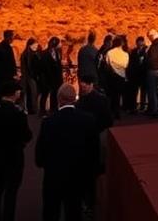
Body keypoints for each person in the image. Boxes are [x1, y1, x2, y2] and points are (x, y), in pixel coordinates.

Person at [35, 83, 99, 221]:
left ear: (59, 99)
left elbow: (40, 152)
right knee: (74, 211)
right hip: (78, 174)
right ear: (74, 99)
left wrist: (42, 163)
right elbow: (94, 150)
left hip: (53, 175)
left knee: (51, 211)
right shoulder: (88, 120)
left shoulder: (48, 122)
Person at [0, 80, 32, 221]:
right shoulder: (19, 114)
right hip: (15, 155)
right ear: (14, 93)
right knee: (11, 191)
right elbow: (27, 135)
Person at [74, 72, 112, 214]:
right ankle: (92, 204)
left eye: (83, 84)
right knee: (94, 173)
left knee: (86, 174)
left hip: (87, 140)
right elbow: (109, 120)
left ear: (90, 84)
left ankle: (87, 203)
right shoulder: (102, 100)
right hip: (97, 138)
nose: (81, 86)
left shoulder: (80, 103)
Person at [104, 35, 129, 120]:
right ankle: (118, 112)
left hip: (111, 76)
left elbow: (107, 64)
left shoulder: (109, 53)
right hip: (121, 76)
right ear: (122, 44)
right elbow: (125, 65)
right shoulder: (126, 55)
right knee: (118, 95)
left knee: (111, 95)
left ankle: (111, 112)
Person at [38, 37, 62, 115]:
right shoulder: (45, 53)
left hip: (56, 78)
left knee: (54, 93)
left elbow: (58, 64)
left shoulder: (58, 52)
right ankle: (42, 110)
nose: (60, 45)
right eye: (59, 43)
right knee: (45, 93)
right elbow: (44, 66)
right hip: (47, 77)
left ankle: (53, 109)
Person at [126, 36, 147, 114]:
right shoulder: (133, 51)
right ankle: (134, 107)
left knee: (143, 91)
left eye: (141, 43)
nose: (139, 44)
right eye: (138, 43)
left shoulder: (146, 50)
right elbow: (131, 63)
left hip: (143, 74)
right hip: (135, 75)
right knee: (134, 91)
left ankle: (143, 106)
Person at [20, 37, 41, 114]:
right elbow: (26, 67)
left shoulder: (36, 54)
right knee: (31, 93)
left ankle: (33, 108)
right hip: (29, 77)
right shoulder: (26, 55)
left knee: (34, 93)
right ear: (29, 45)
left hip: (35, 77)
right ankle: (31, 109)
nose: (36, 46)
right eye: (34, 44)